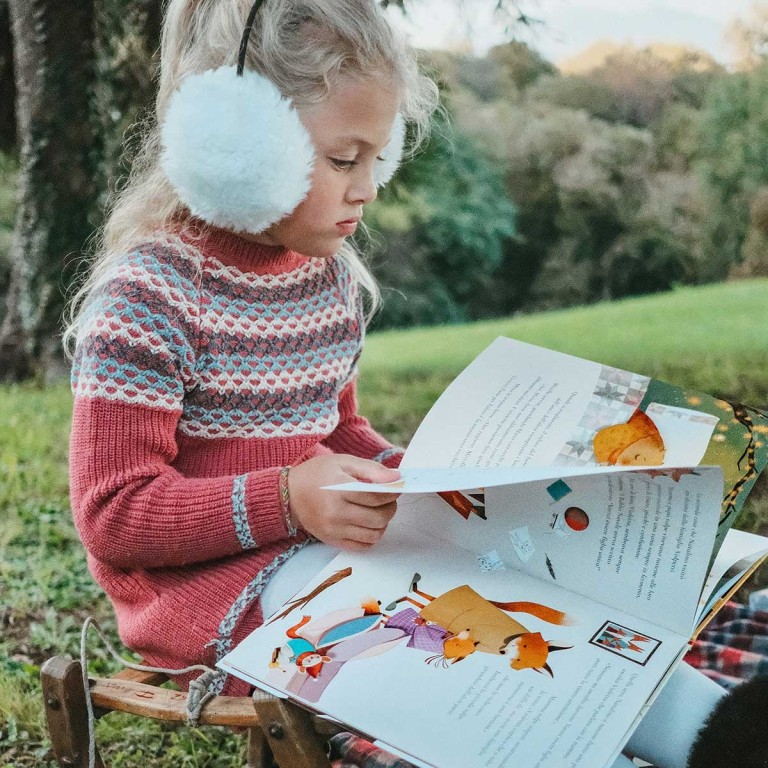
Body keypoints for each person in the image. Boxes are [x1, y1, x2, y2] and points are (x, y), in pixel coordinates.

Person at [66, 1, 761, 766]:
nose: (368, 188)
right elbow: (115, 514)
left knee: (533, 576)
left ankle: (722, 726)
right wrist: (288, 496)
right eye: (342, 160)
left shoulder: (324, 279)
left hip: (322, 551)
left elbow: (341, 436)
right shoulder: (152, 295)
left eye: (378, 156)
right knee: (473, 627)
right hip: (212, 595)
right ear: (237, 146)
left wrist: (436, 479)